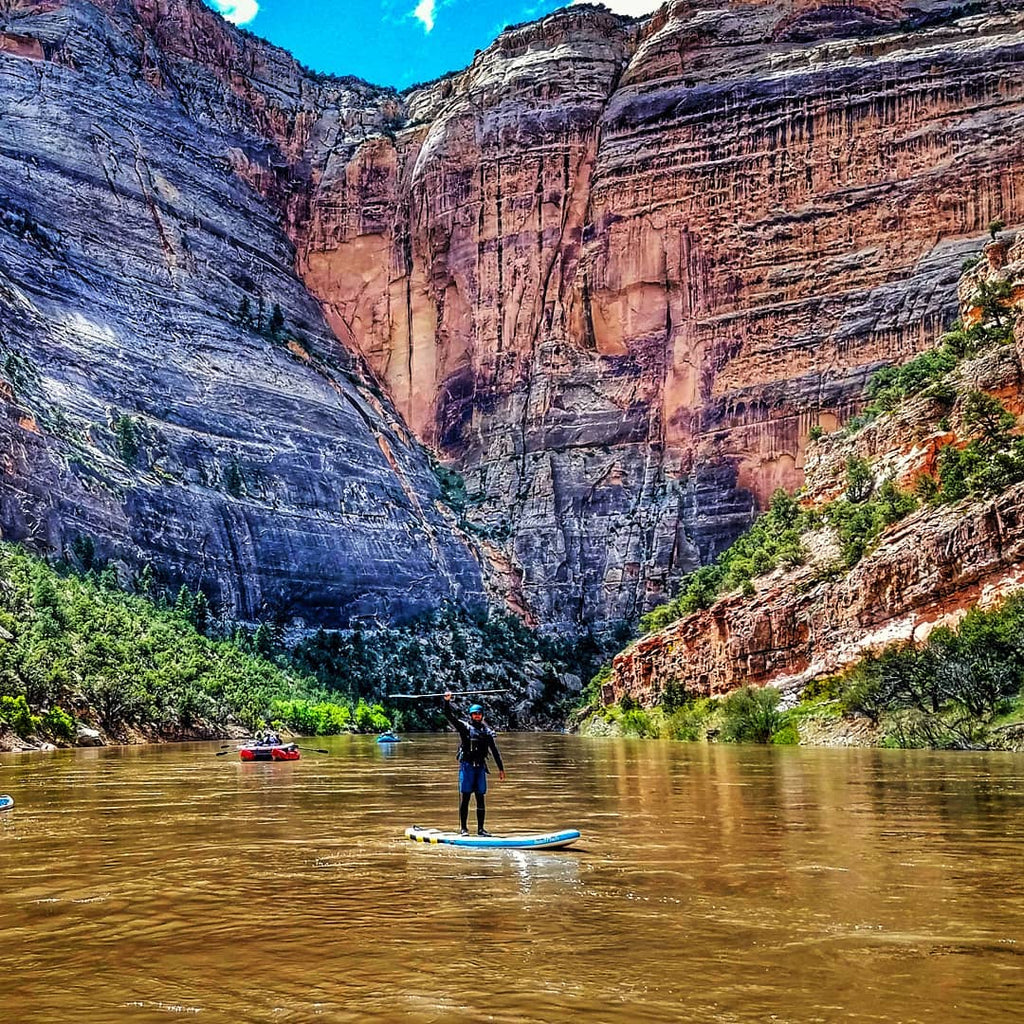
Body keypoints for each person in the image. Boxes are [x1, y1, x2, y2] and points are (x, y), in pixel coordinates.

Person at [442, 691, 505, 836]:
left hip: (480, 768)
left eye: (479, 714)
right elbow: (449, 716)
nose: (477, 716)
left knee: (480, 798)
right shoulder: (464, 728)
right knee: (465, 798)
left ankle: (481, 830)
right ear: (471, 715)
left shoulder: (486, 732)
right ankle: (464, 829)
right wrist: (447, 701)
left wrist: (501, 769)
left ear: (482, 715)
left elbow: (494, 751)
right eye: (474, 714)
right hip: (467, 767)